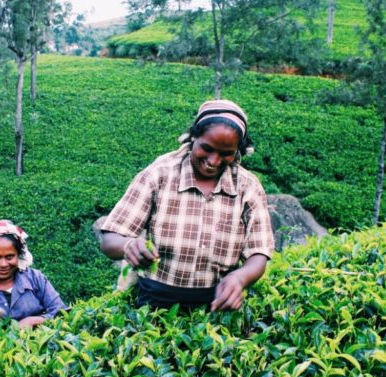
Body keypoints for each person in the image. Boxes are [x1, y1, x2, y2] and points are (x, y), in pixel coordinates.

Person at [100, 99, 274, 311]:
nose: (214, 161)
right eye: (207, 148)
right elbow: (110, 239)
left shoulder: (248, 188)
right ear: (193, 138)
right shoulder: (159, 174)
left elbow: (259, 253)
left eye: (226, 153)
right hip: (155, 303)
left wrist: (239, 278)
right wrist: (128, 246)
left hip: (218, 305)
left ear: (238, 151)